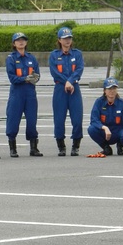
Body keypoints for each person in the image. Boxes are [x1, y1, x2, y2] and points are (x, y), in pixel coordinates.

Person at [5, 32, 43, 158]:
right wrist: (25, 79)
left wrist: (35, 78)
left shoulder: (31, 58)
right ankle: (13, 148)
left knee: (32, 121)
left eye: (23, 40)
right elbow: (12, 78)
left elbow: (37, 74)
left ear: (26, 43)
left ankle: (34, 148)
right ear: (14, 43)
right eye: (18, 40)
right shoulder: (11, 58)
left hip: (30, 93)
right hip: (17, 93)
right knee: (13, 120)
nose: (21, 42)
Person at [49, 27, 84, 156]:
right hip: (60, 89)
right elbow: (54, 72)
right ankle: (61, 145)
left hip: (74, 88)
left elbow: (79, 69)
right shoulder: (54, 55)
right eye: (64, 38)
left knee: (77, 118)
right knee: (59, 119)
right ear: (59, 40)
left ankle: (76, 145)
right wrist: (66, 82)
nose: (67, 40)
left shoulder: (77, 54)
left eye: (69, 38)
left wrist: (71, 81)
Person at [87, 77, 123, 155]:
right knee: (91, 129)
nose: (112, 91)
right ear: (105, 91)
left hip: (118, 131)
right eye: (109, 89)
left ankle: (120, 146)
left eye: (114, 88)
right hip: (104, 132)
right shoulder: (99, 102)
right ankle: (106, 148)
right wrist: (104, 128)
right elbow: (94, 119)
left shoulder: (122, 103)